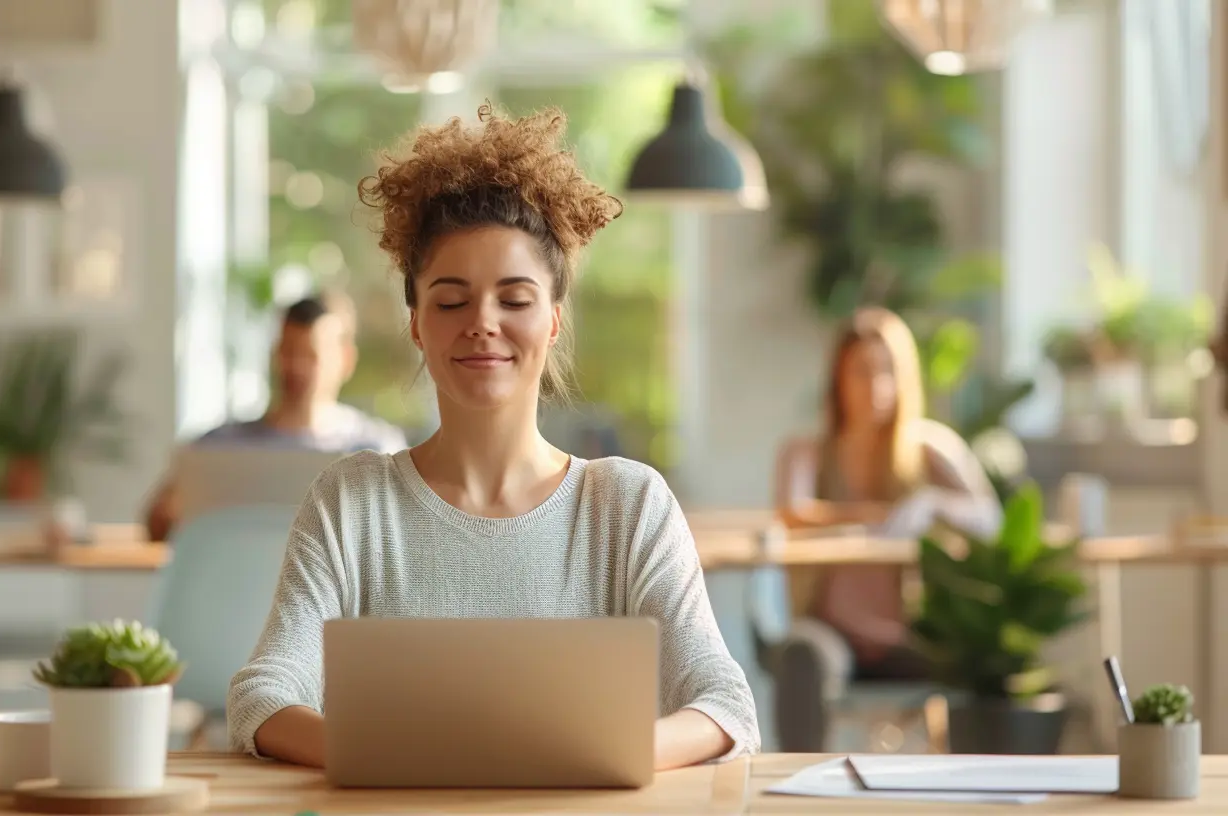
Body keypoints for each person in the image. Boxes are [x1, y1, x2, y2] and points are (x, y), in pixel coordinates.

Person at [226, 104, 760, 770]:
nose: (482, 322)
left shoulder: (627, 505)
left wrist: (584, 753)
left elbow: (725, 704)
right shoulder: (351, 502)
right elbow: (261, 696)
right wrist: (398, 757)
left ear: (554, 321)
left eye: (514, 299)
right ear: (417, 322)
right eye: (451, 300)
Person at [770, 306, 1002, 750]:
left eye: (887, 371)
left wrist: (932, 503)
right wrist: (880, 516)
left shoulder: (930, 451)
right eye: (860, 371)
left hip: (911, 634)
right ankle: (796, 795)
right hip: (830, 630)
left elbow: (990, 519)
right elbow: (794, 512)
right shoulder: (806, 452)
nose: (875, 386)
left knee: (988, 655)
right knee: (801, 656)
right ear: (837, 377)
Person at [143, 292, 407, 540]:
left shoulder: (377, 450)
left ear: (345, 360)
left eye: (310, 355)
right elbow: (157, 524)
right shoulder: (219, 447)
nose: (295, 367)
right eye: (287, 351)